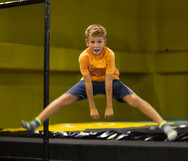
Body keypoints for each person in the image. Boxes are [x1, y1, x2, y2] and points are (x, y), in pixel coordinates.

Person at [21, 24, 177, 141]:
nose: (96, 45)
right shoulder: (84, 57)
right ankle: (35, 123)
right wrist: (92, 106)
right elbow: (87, 83)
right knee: (64, 99)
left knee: (135, 100)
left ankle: (165, 126)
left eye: (99, 42)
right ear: (87, 42)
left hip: (112, 81)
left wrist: (109, 105)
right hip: (90, 82)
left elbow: (108, 81)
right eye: (93, 42)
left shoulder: (109, 54)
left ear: (105, 41)